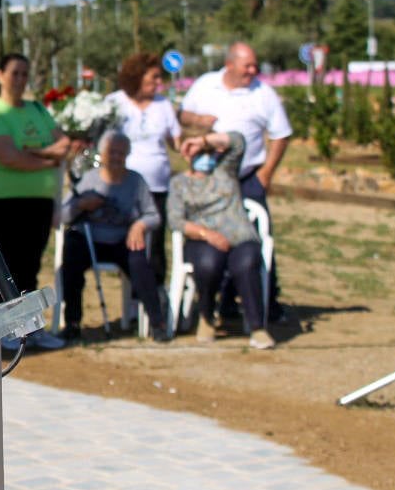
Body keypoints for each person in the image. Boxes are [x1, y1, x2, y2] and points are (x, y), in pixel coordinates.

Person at [180, 41, 291, 318]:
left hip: (247, 177)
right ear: (229, 64)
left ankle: (266, 301)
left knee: (256, 237)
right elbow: (181, 116)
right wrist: (196, 119)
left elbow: (281, 134)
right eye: (248, 65)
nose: (253, 70)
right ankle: (207, 297)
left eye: (255, 65)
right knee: (208, 238)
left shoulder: (263, 94)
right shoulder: (205, 85)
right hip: (208, 179)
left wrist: (266, 173)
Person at [0, 53, 71, 350]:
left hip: (39, 200)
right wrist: (47, 158)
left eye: (24, 74)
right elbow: (8, 157)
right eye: (14, 73)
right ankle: (6, 330)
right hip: (3, 200)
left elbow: (64, 144)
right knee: (8, 265)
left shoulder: (37, 109)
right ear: (0, 75)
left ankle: (31, 328)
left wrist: (31, 152)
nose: (20, 80)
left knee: (30, 266)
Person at [57, 131, 168, 341]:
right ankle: (72, 323)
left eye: (121, 153)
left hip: (122, 240)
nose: (116, 157)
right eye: (112, 152)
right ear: (102, 154)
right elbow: (63, 214)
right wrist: (81, 204)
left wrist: (140, 224)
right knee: (71, 260)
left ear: (127, 155)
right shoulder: (89, 179)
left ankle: (157, 322)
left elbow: (154, 215)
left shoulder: (136, 181)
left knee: (141, 264)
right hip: (90, 240)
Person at [168, 130, 272, 349]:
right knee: (209, 263)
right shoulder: (179, 183)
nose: (205, 157)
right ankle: (206, 316)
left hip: (240, 236)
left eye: (208, 152)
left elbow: (238, 142)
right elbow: (176, 220)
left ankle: (257, 327)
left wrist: (203, 140)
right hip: (203, 238)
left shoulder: (225, 171)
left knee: (247, 263)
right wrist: (207, 234)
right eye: (199, 152)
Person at [107, 52, 180, 284]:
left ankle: (155, 297)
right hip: (123, 188)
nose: (159, 83)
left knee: (155, 244)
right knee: (129, 244)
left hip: (157, 187)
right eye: (154, 78)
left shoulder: (163, 105)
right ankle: (133, 297)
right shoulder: (114, 103)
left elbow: (176, 141)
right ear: (137, 77)